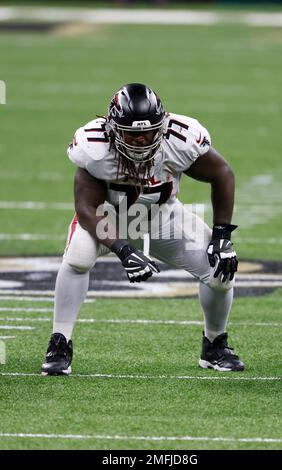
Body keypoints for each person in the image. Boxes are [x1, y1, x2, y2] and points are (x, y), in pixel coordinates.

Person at [41, 83, 244, 376]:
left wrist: (222, 236)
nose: (140, 140)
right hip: (106, 216)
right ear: (112, 129)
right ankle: (60, 343)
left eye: (147, 132)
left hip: (162, 216)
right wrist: (123, 249)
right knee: (78, 257)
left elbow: (222, 173)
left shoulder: (180, 139)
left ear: (162, 127)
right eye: (132, 133)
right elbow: (87, 209)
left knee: (220, 270)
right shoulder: (94, 148)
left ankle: (214, 346)